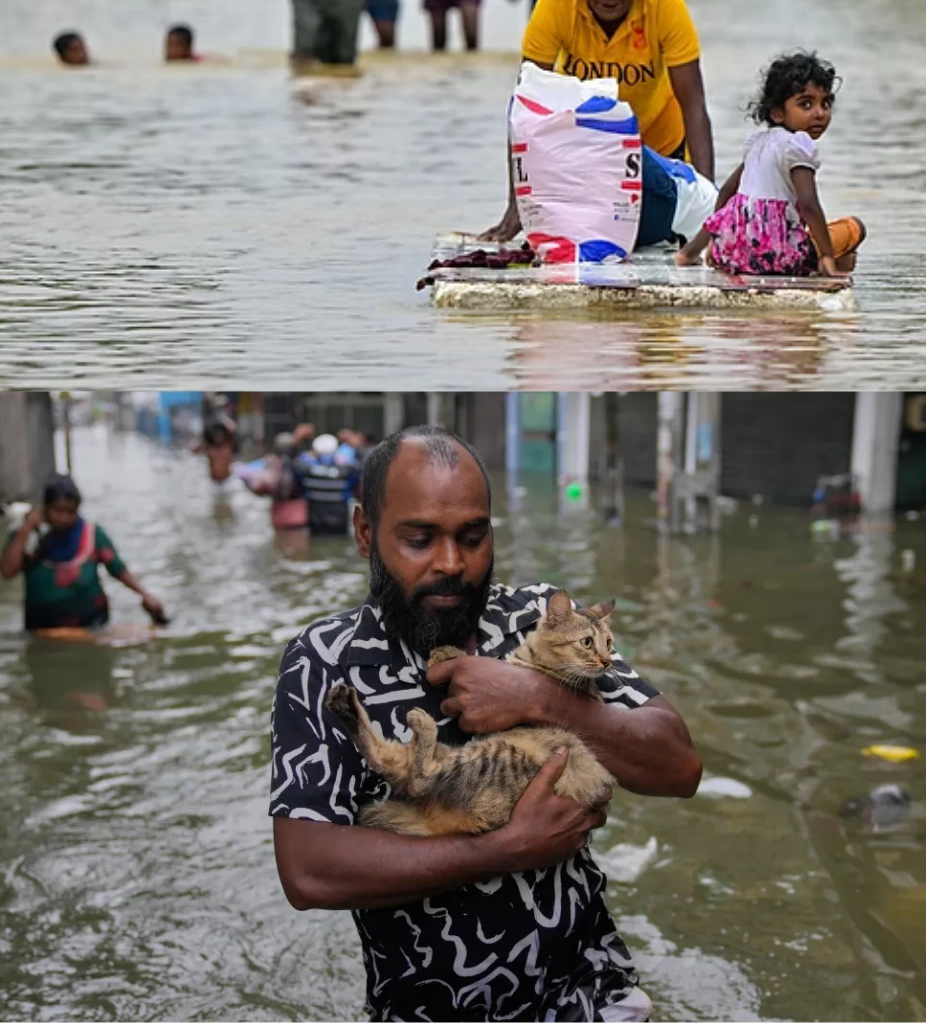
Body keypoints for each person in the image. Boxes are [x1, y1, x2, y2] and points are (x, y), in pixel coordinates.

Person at [270, 426, 700, 1020]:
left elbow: (679, 767)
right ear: (364, 532)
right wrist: (508, 848)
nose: (451, 563)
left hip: (590, 996)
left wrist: (541, 698)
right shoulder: (324, 660)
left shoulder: (542, 618)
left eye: (472, 537)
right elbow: (308, 870)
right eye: (420, 539)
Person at [480, 0, 716, 250]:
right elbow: (526, 110)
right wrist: (520, 206)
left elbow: (694, 107)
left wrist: (712, 210)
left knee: (644, 227)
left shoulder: (666, 5)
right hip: (586, 150)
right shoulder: (553, 4)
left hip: (659, 152)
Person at [679, 50, 865, 277]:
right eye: (806, 105)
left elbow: (727, 192)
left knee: (842, 254)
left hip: (733, 253)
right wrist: (826, 255)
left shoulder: (757, 142)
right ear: (777, 113)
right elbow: (808, 204)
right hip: (777, 256)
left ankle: (691, 253)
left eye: (825, 104)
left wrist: (704, 246)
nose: (819, 113)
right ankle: (825, 261)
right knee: (854, 230)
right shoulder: (798, 144)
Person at [0, 477, 169, 631]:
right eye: (58, 511)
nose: (64, 518)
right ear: (45, 508)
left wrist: (144, 594)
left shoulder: (92, 535)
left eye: (71, 512)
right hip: (41, 628)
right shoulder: (27, 537)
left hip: (91, 624)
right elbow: (7, 572)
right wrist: (25, 530)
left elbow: (117, 569)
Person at [295, 433, 360, 534]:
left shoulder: (305, 470)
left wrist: (298, 440)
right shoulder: (347, 470)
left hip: (315, 520)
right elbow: (360, 469)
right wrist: (356, 445)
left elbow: (293, 464)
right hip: (340, 519)